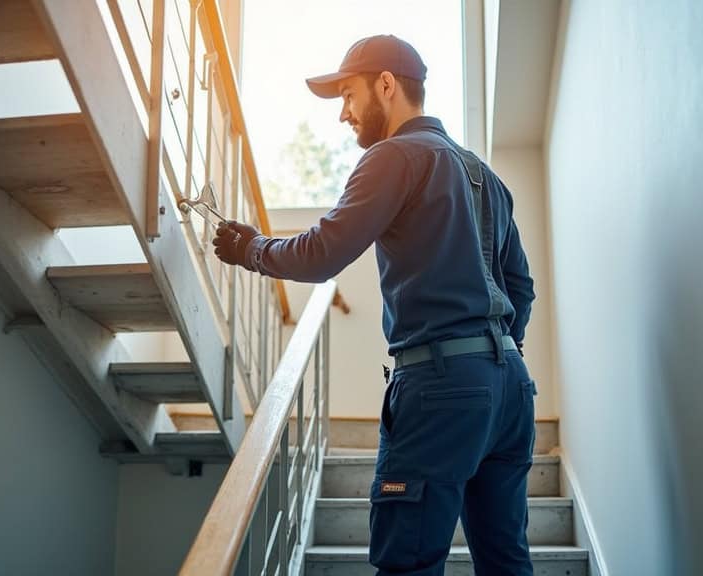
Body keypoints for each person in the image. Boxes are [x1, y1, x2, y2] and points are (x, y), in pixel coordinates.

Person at [213, 34, 537, 576]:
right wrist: (493, 356)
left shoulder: (394, 157)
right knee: (507, 563)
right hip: (510, 391)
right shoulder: (485, 175)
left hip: (439, 388)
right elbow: (520, 287)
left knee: (407, 563)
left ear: (386, 85)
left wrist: (251, 249)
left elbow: (321, 253)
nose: (343, 114)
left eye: (348, 95)